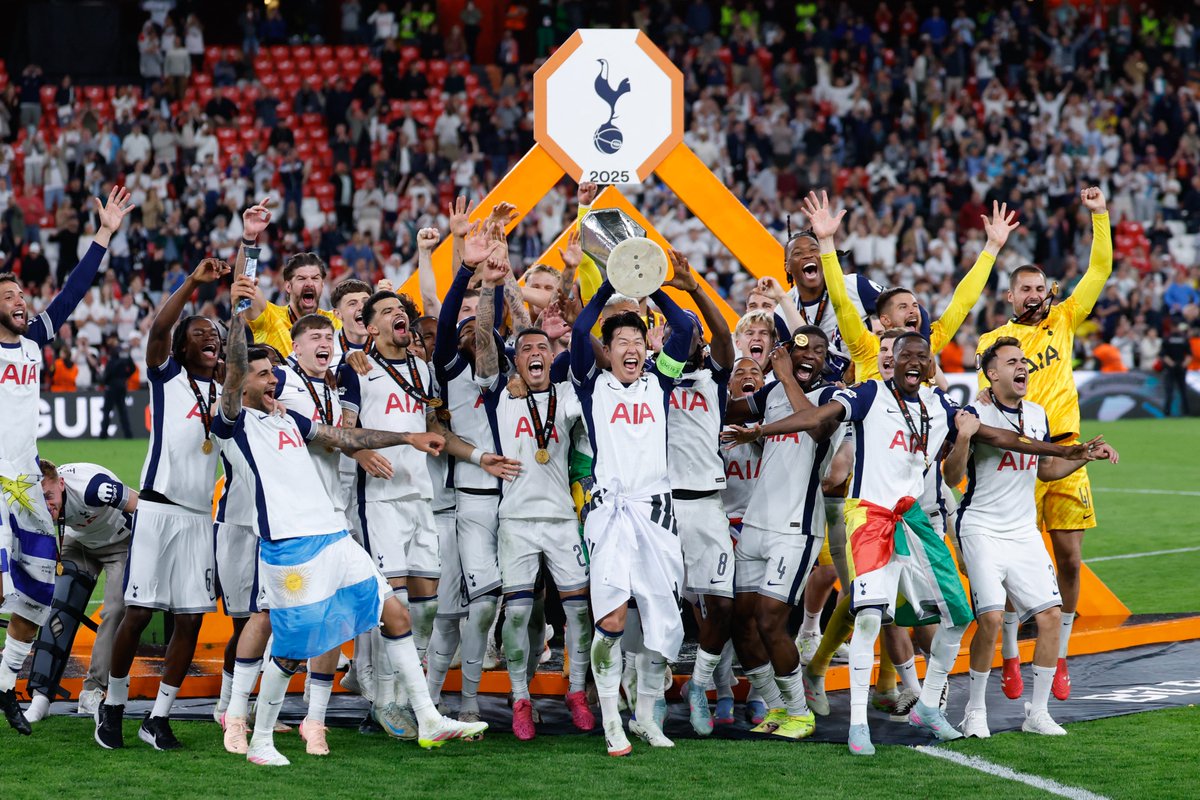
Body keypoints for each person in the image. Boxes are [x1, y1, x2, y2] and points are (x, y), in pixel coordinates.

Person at [723, 333, 1108, 755]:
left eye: (920, 357)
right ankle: (857, 726)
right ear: (893, 362)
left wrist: (1067, 451)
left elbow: (1000, 438)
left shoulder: (941, 405)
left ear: (928, 366)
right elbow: (817, 418)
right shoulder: (869, 395)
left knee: (959, 615)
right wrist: (760, 430)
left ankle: (927, 704)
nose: (911, 361)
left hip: (913, 520)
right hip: (870, 517)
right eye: (904, 354)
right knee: (869, 618)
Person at [210, 294, 488, 766]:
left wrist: (406, 436)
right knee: (291, 650)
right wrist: (239, 313)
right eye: (262, 375)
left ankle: (428, 718)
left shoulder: (287, 418)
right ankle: (259, 740)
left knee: (395, 614)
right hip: (290, 547)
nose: (272, 379)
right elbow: (235, 371)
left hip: (334, 536)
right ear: (240, 384)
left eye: (273, 373)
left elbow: (343, 437)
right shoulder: (233, 423)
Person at [339, 286, 517, 736]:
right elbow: (343, 432)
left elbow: (435, 429)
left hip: (420, 498)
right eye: (387, 311)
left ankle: (406, 698)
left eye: (401, 309)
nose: (398, 314)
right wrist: (364, 452)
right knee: (394, 605)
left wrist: (479, 457)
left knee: (426, 609)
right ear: (370, 327)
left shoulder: (422, 371)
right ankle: (384, 700)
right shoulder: (356, 368)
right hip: (379, 499)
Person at [0, 184, 134, 736]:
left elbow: (73, 291)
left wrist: (103, 234)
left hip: (27, 484)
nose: (20, 301)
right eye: (9, 296)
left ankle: (5, 686)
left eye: (21, 294)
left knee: (34, 598)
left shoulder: (34, 341)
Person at [975, 186, 1113, 700]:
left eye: (1039, 287)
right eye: (1024, 289)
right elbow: (990, 401)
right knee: (1017, 559)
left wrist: (1099, 214)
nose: (1034, 295)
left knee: (1070, 558)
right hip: (1020, 453)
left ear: (1047, 291)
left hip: (1069, 449)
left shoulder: (1064, 318)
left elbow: (1099, 270)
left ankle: (1061, 655)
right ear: (1010, 297)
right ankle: (1012, 653)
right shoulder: (992, 343)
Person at [946, 337, 1119, 739]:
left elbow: (1043, 470)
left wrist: (1081, 458)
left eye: (1023, 360)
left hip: (1024, 530)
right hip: (981, 528)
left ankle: (1037, 713)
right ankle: (974, 711)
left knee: (1051, 616)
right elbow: (952, 477)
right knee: (990, 618)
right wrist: (964, 438)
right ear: (991, 374)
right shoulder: (974, 413)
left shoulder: (1038, 414)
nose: (1022, 366)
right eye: (1011, 362)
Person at [95, 256, 229, 751]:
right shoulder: (166, 375)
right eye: (199, 333)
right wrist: (193, 281)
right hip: (156, 509)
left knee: (190, 619)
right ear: (181, 346)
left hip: (198, 517)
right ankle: (113, 705)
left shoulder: (227, 391)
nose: (210, 337)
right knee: (138, 613)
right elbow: (158, 328)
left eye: (214, 333)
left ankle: (158, 717)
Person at [472, 241, 595, 739]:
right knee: (520, 613)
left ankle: (577, 691)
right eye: (525, 349)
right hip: (517, 521)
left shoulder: (567, 395)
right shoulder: (501, 393)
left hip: (562, 519)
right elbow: (485, 337)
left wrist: (571, 275)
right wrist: (490, 284)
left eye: (542, 347)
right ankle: (520, 697)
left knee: (579, 613)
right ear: (515, 361)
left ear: (552, 353)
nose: (535, 353)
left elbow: (579, 333)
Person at [570, 271, 694, 755]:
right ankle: (610, 720)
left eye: (638, 341)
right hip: (610, 511)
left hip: (657, 511)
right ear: (607, 350)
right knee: (613, 619)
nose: (631, 348)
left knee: (663, 620)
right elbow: (579, 331)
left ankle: (644, 716)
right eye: (621, 341)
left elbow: (684, 328)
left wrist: (651, 286)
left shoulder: (660, 382)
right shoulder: (591, 386)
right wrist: (608, 286)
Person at [427, 208, 526, 726]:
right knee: (465, 607)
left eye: (479, 327)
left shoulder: (508, 369)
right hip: (469, 499)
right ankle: (445, 700)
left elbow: (514, 330)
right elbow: (449, 320)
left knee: (504, 604)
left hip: (516, 499)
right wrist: (474, 273)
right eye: (465, 327)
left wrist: (501, 272)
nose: (472, 331)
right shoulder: (449, 368)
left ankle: (478, 696)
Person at [723, 328, 843, 740]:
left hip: (796, 529)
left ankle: (799, 712)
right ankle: (776, 706)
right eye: (801, 348)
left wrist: (786, 374)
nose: (811, 355)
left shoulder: (832, 397)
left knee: (770, 619)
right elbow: (727, 409)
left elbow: (816, 429)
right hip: (755, 523)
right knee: (741, 622)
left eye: (820, 351)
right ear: (787, 351)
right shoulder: (771, 392)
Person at [808, 189, 1019, 382]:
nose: (913, 310)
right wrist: (826, 241)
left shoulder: (926, 345)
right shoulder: (866, 347)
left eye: (915, 305)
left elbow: (962, 303)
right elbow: (841, 303)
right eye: (903, 307)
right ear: (885, 320)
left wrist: (992, 248)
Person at [657, 248, 737, 737]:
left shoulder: (715, 378)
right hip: (663, 507)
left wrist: (693, 289)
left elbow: (724, 335)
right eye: (674, 331)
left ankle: (699, 686)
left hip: (708, 504)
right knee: (655, 605)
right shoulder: (652, 379)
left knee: (723, 605)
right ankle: (650, 691)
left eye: (692, 333)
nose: (684, 336)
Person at [24, 461, 137, 723]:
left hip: (120, 542)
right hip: (79, 542)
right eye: (41, 499)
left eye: (49, 496)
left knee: (115, 611)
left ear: (61, 484)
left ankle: (93, 690)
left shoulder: (94, 487)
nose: (46, 505)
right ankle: (41, 695)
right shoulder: (33, 500)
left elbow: (141, 506)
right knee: (59, 606)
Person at [243, 199, 343, 357]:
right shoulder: (271, 318)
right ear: (288, 286)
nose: (309, 283)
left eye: (315, 278)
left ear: (322, 285)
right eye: (302, 278)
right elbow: (244, 285)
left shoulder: (335, 322)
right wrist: (249, 237)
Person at [98, 339, 136, 439]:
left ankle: (103, 434)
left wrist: (105, 381)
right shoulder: (124, 359)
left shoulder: (112, 360)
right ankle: (128, 434)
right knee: (123, 411)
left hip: (111, 388)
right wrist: (125, 377)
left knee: (107, 411)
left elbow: (107, 374)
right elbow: (133, 368)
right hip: (121, 387)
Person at [1162, 320, 1191, 416]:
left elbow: (1189, 355)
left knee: (1179, 391)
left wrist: (1178, 364)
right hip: (1174, 367)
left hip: (1176, 367)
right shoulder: (1183, 338)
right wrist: (1177, 364)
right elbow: (1163, 355)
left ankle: (1183, 412)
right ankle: (1170, 412)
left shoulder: (1168, 338)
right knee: (1174, 391)